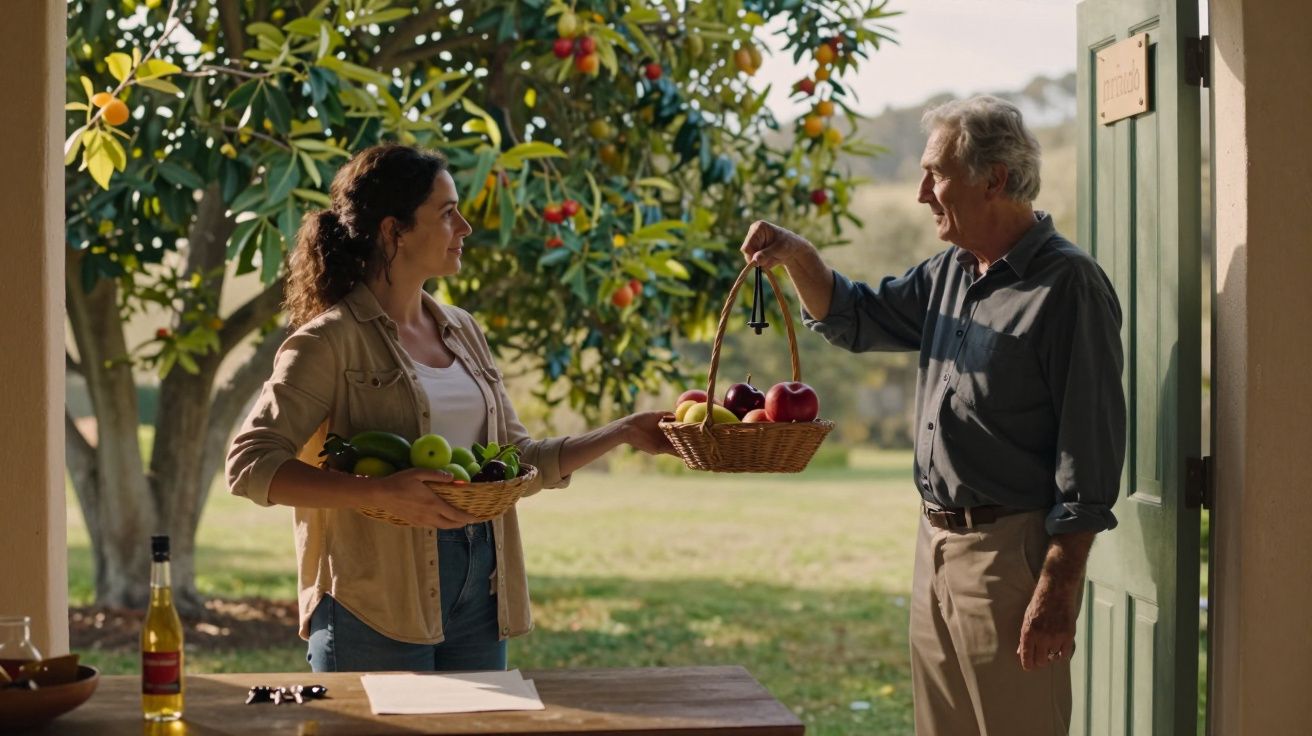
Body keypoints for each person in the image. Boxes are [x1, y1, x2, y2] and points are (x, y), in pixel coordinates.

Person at [739, 96, 1126, 735]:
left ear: (994, 178)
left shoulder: (1068, 286)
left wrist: (1059, 587)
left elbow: (1090, 448)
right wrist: (797, 255)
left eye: (936, 174)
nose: (921, 192)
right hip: (935, 547)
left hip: (1011, 555)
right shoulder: (950, 272)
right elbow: (854, 315)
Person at [226, 144, 673, 673]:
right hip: (374, 597)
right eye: (446, 213)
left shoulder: (463, 331)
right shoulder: (328, 342)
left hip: (480, 589)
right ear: (394, 231)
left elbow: (516, 460)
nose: (463, 227)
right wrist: (380, 493)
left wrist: (622, 432)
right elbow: (250, 465)